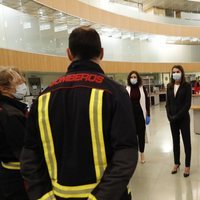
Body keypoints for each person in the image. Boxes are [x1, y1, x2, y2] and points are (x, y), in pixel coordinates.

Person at [21, 26, 138, 200]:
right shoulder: (115, 93)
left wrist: (43, 196)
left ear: (69, 53)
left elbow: (30, 155)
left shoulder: (44, 97)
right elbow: (126, 152)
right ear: (102, 53)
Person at [0, 67, 29, 199]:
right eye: (18, 83)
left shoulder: (8, 109)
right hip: (17, 174)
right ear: (3, 88)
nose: (23, 86)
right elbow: (23, 149)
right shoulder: (11, 114)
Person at [165, 65, 192, 177]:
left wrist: (177, 116)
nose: (175, 73)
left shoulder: (187, 86)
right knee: (175, 142)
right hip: (172, 120)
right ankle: (176, 163)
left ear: (182, 73)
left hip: (183, 119)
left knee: (186, 142)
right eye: (174, 72)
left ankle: (187, 165)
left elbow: (187, 104)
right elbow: (167, 103)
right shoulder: (169, 86)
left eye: (177, 71)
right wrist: (169, 116)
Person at [126, 71, 150, 163]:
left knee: (141, 135)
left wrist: (148, 114)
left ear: (138, 78)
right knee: (132, 136)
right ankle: (133, 154)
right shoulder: (126, 88)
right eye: (131, 77)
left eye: (135, 77)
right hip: (130, 115)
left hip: (140, 114)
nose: (133, 79)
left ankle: (142, 154)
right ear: (129, 79)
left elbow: (147, 101)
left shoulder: (142, 88)